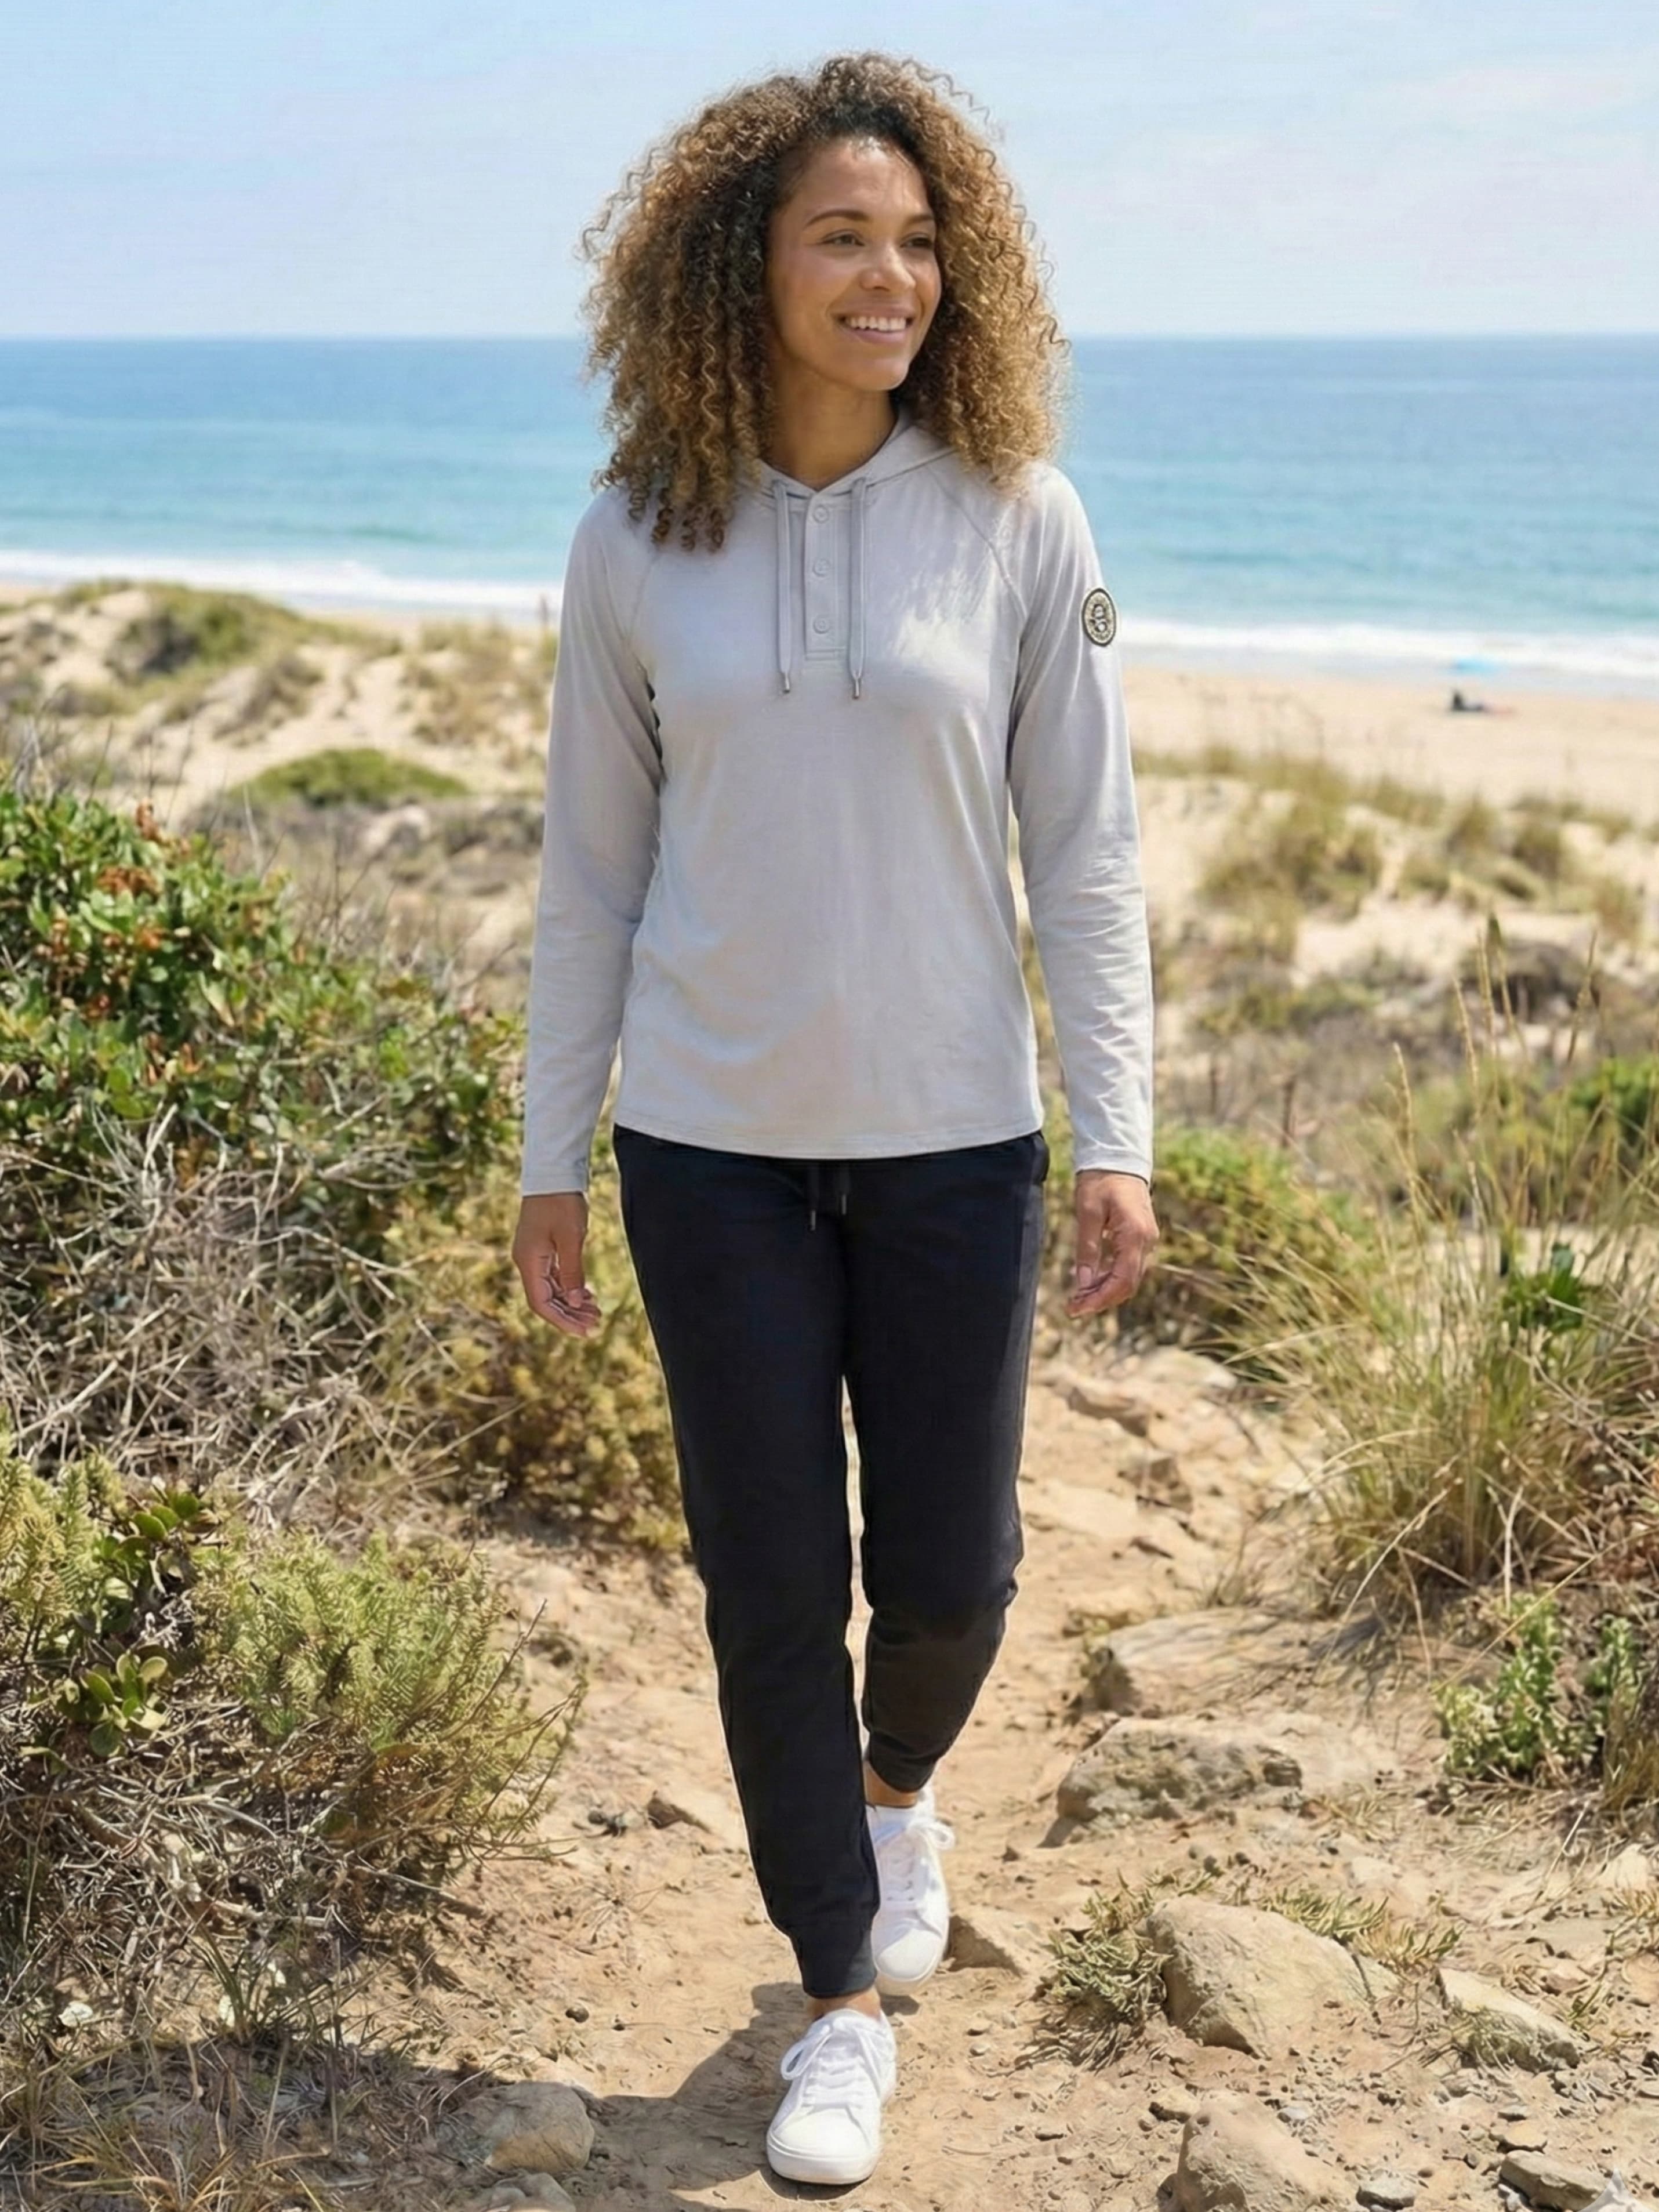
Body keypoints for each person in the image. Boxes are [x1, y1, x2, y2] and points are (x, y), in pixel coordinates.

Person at [511, 51, 1157, 2190]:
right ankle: (837, 2004)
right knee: (769, 1580)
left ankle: (895, 1801)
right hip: (709, 1149)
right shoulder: (637, 536)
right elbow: (590, 874)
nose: (892, 277)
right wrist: (552, 1154)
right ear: (744, 266)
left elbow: (1088, 855)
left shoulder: (1022, 518)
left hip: (958, 1136)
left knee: (953, 1575)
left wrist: (1120, 1129)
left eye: (917, 239)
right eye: (841, 238)